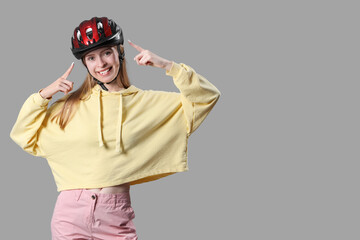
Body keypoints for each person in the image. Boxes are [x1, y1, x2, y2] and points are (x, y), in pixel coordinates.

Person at [10, 16, 220, 240]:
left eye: (106, 53)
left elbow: (206, 97)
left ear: (119, 52)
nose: (100, 64)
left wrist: (169, 66)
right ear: (85, 64)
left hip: (115, 213)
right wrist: (43, 95)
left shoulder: (146, 103)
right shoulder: (69, 106)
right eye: (91, 57)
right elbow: (23, 134)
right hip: (70, 214)